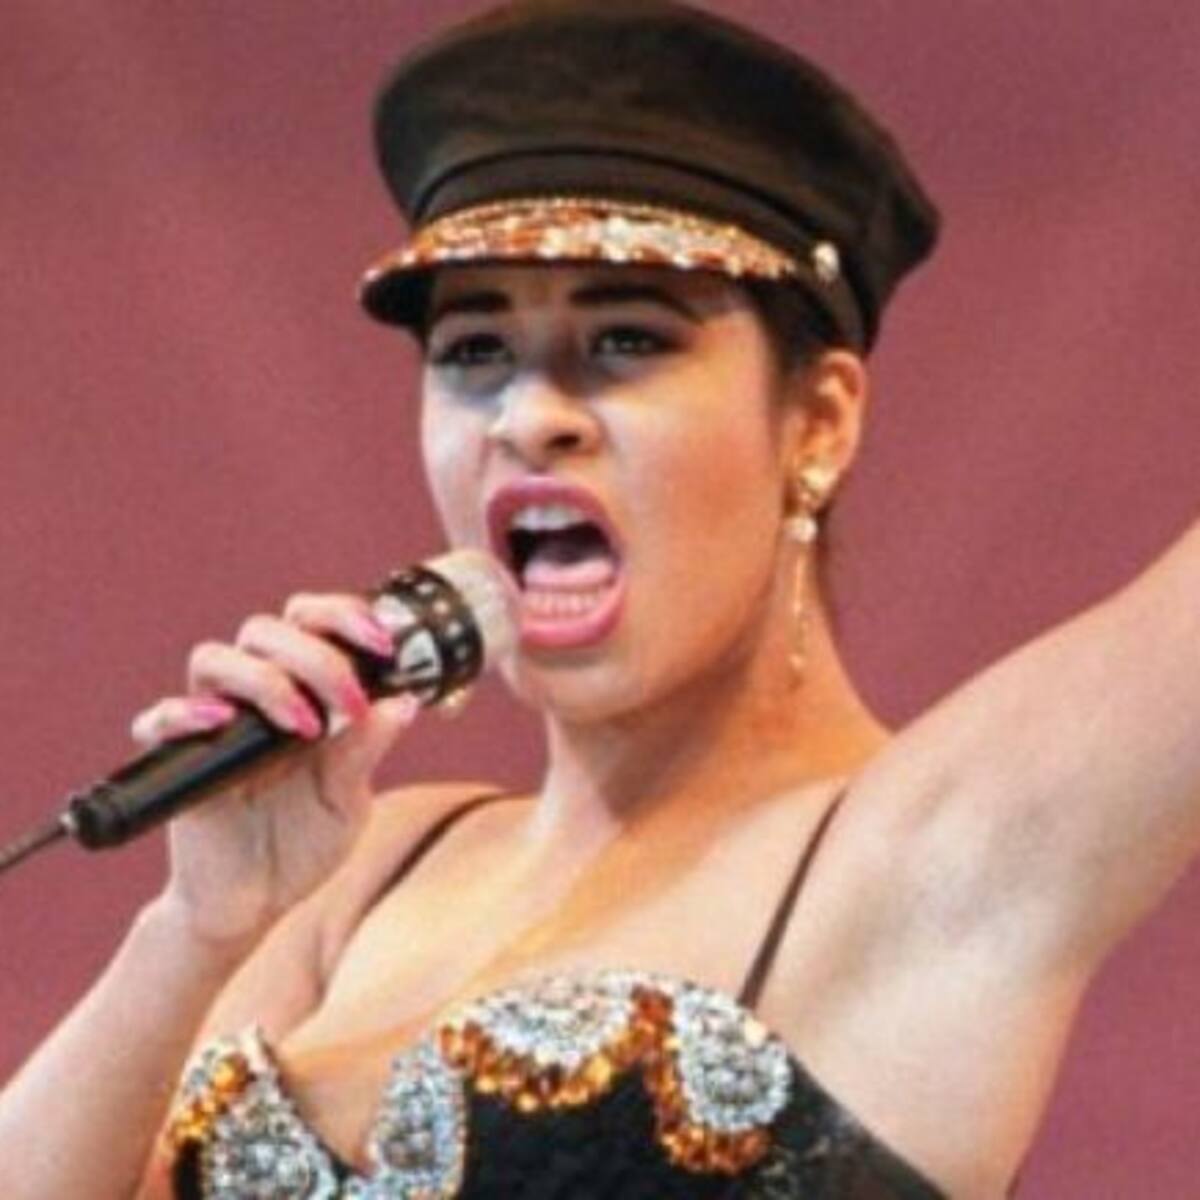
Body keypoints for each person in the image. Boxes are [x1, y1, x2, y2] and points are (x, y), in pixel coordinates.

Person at [2, 1, 1199, 1196]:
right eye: (475, 352)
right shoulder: (361, 873)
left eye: (628, 340)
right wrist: (192, 934)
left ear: (820, 421)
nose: (530, 416)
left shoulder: (922, 862)